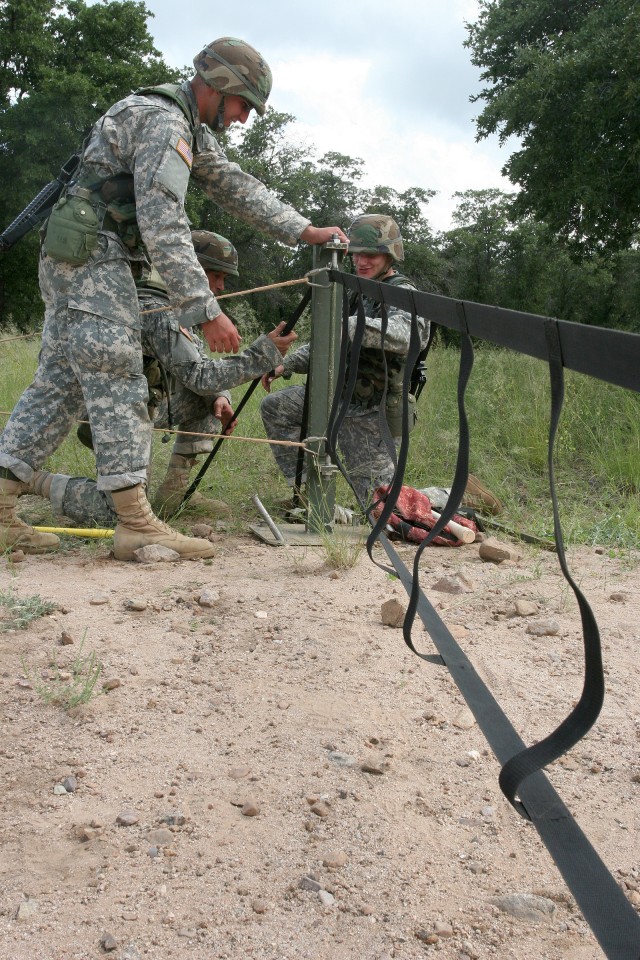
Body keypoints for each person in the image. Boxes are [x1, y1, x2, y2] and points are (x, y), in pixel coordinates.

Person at [0, 36, 348, 560]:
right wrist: (204, 309)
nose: (244, 118)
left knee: (60, 383)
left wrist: (303, 231)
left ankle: (2, 511)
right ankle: (136, 521)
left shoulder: (184, 126)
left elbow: (234, 185)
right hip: (96, 260)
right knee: (117, 371)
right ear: (223, 86)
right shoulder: (164, 122)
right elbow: (164, 222)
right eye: (244, 105)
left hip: (82, 260)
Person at [25, 229, 297, 526]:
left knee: (210, 399)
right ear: (188, 268)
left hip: (141, 408)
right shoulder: (157, 308)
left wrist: (221, 396)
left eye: (224, 279)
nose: (220, 286)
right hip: (110, 418)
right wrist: (263, 354)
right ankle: (32, 480)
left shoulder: (177, 305)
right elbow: (201, 376)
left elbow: (199, 367)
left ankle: (174, 493)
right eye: (215, 275)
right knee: (118, 513)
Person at [260, 213, 429, 505]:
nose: (362, 262)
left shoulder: (403, 292)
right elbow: (328, 339)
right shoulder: (356, 289)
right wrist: (286, 365)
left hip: (372, 414)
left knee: (380, 507)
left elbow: (411, 335)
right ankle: (307, 496)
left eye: (371, 255)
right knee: (276, 407)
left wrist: (351, 326)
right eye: (356, 255)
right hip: (337, 400)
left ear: (389, 255)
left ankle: (450, 497)